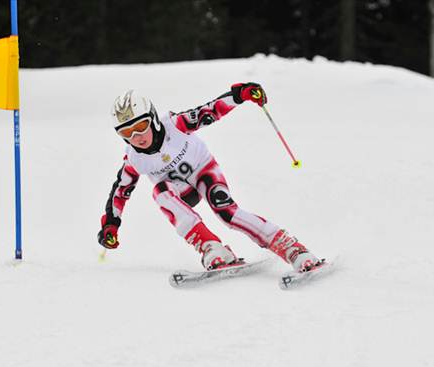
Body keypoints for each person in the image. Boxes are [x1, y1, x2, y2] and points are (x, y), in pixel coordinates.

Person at [98, 83, 322, 272]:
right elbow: (121, 190)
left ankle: (291, 247)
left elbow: (209, 111)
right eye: (126, 133)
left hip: (204, 172)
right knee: (161, 193)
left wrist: (240, 95)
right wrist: (111, 224)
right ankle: (211, 247)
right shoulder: (134, 159)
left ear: (154, 119)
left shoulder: (174, 125)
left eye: (140, 126)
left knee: (227, 213)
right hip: (180, 193)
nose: (136, 137)